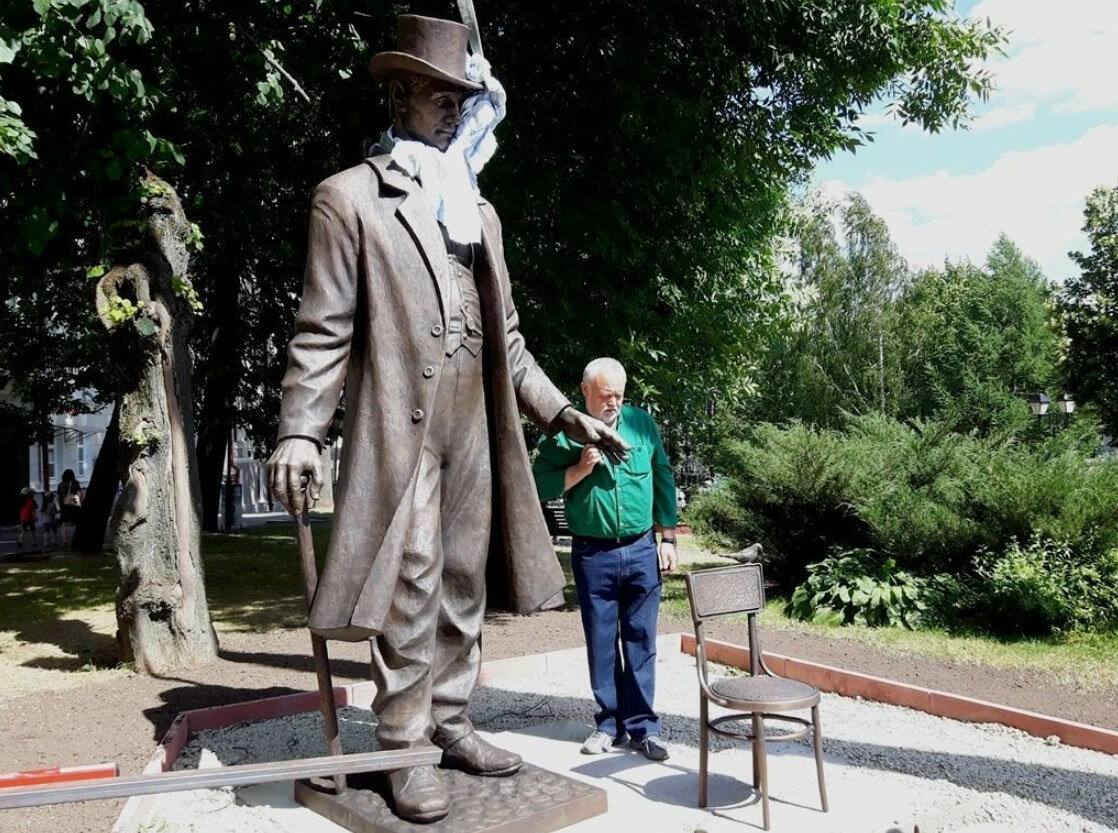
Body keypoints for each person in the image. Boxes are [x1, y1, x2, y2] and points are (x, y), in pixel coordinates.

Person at [266, 15, 628, 824]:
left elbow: (514, 346)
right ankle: (400, 745)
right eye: (439, 94)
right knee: (413, 583)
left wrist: (568, 414)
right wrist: (300, 428)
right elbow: (321, 330)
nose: (455, 110)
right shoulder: (349, 200)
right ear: (397, 92)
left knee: (464, 580)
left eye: (463, 98)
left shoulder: (480, 215)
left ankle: (452, 720)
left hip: (476, 427)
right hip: (404, 429)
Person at [533, 358, 679, 762]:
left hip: (641, 550)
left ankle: (644, 728)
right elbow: (536, 484)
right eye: (605, 395)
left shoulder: (640, 425)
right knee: (601, 642)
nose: (614, 402)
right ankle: (608, 724)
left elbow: (663, 476)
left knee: (642, 640)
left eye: (619, 394)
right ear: (585, 391)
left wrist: (668, 537)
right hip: (592, 554)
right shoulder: (564, 436)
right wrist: (579, 471)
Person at [57, 469, 83, 551]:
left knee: (64, 524)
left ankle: (64, 540)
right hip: (74, 506)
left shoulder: (60, 485)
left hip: (64, 507)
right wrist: (79, 502)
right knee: (78, 523)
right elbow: (79, 494)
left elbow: (58, 496)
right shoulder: (75, 483)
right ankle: (78, 539)